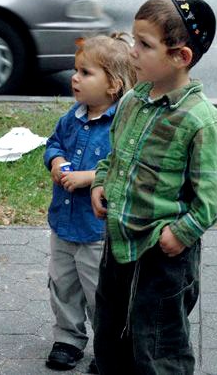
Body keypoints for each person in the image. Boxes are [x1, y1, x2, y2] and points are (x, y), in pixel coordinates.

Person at [90, 0, 217, 374]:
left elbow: (216, 189)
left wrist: (183, 232)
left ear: (180, 57)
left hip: (163, 253)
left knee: (159, 341)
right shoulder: (131, 102)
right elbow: (115, 155)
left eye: (144, 44)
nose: (132, 51)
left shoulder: (200, 120)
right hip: (119, 243)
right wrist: (101, 183)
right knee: (110, 331)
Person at [43, 34, 136, 372]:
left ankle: (107, 346)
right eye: (76, 70)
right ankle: (68, 339)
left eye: (85, 72)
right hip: (64, 225)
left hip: (97, 231)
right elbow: (54, 144)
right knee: (63, 285)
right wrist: (55, 161)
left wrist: (88, 178)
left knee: (101, 293)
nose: (75, 77)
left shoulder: (121, 126)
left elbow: (124, 168)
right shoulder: (72, 117)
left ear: (114, 85)